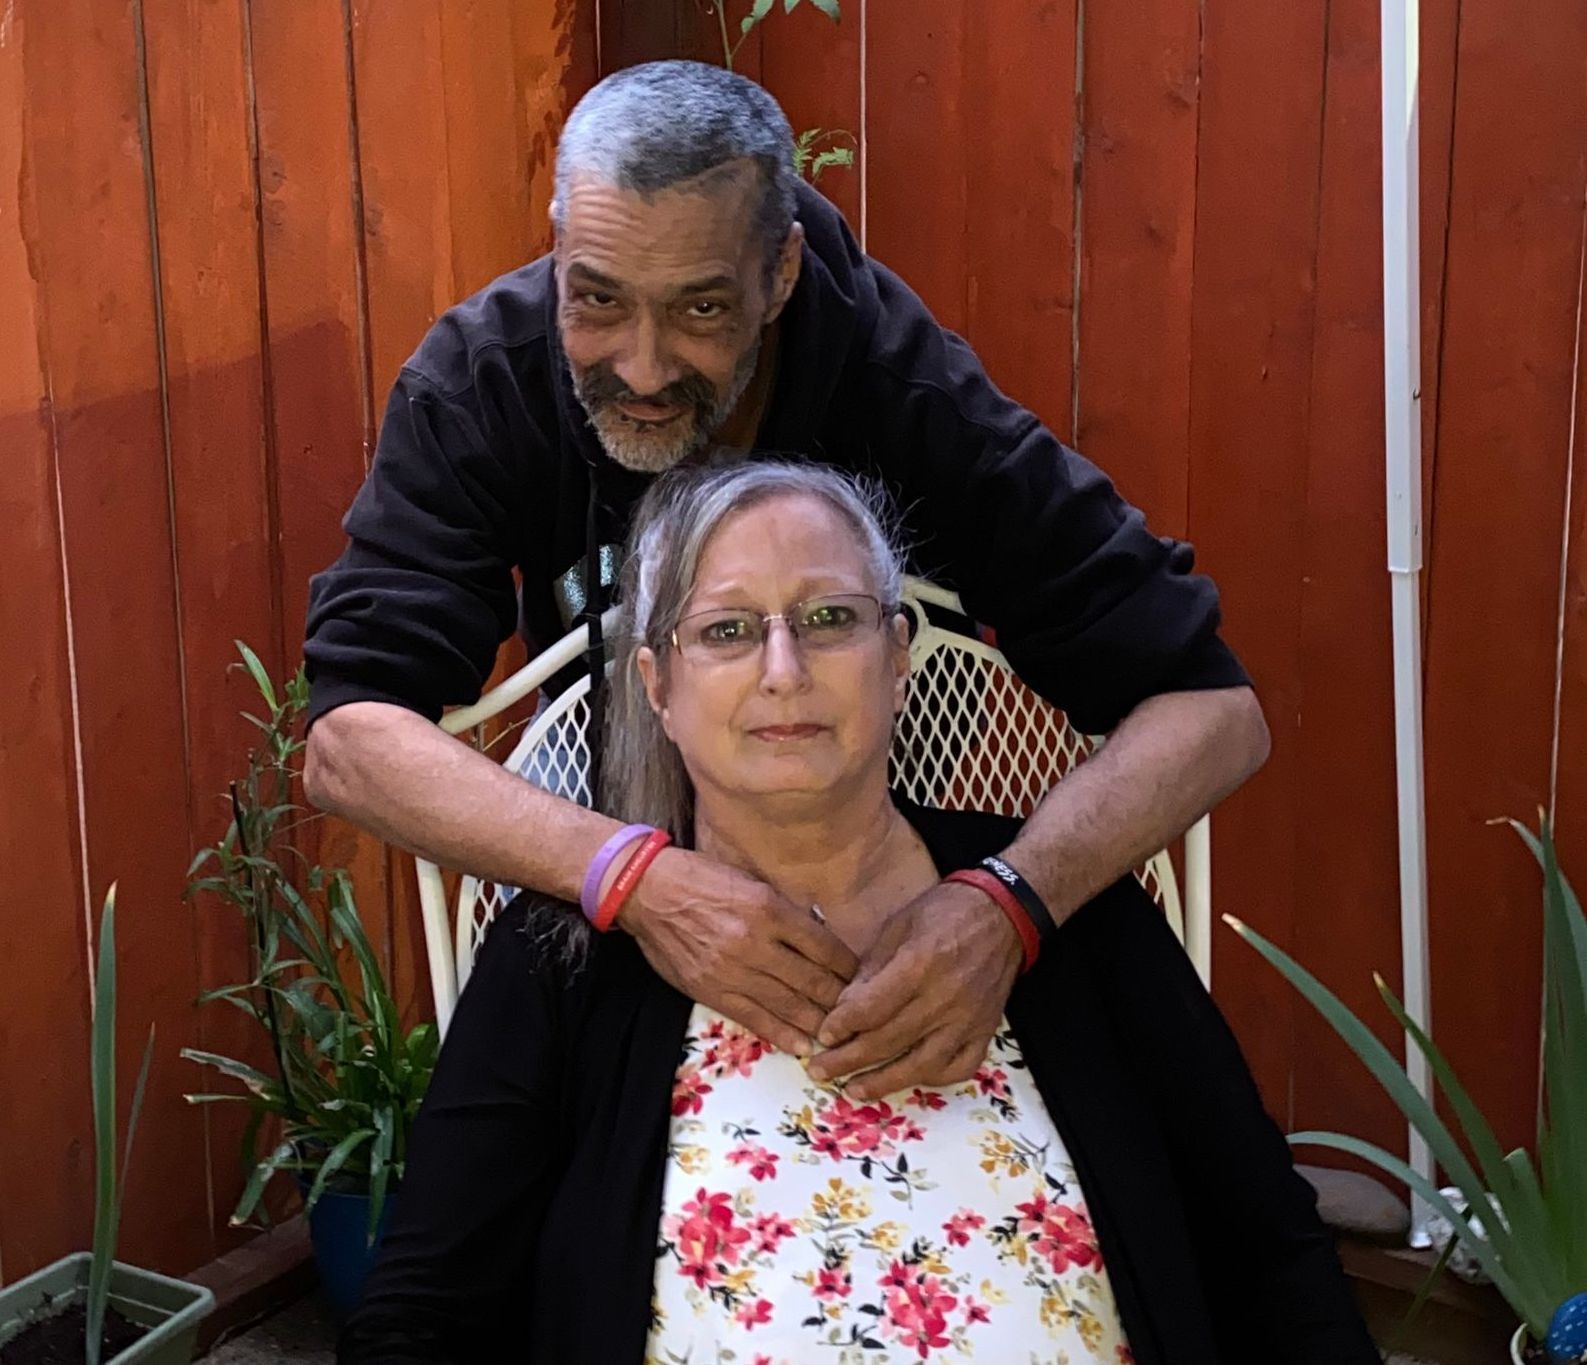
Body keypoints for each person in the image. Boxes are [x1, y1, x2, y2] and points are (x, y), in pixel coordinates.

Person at [302, 61, 1270, 1101]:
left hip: (900, 928)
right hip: (612, 880)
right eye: (596, 297)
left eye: (702, 310)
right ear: (558, 253)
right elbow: (353, 740)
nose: (639, 366)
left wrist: (1007, 905)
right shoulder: (481, 382)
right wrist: (637, 879)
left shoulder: (911, 397)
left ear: (784, 273)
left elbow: (1214, 710)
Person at [337, 461, 1374, 1365]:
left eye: (830, 619)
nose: (784, 672)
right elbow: (420, 1319)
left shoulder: (1074, 917)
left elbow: (1270, 1255)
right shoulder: (563, 954)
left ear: (899, 650)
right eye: (728, 630)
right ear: (656, 684)